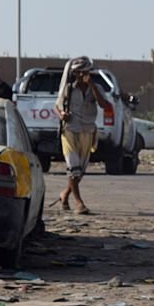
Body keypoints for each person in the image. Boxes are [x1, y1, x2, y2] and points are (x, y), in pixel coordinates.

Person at [53, 56, 112, 214]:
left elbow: (104, 105)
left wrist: (91, 85)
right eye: (81, 72)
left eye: (86, 72)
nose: (84, 75)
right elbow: (56, 107)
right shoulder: (69, 89)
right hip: (70, 130)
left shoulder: (96, 88)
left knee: (80, 171)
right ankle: (79, 203)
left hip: (87, 131)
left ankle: (64, 194)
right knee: (73, 167)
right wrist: (62, 115)